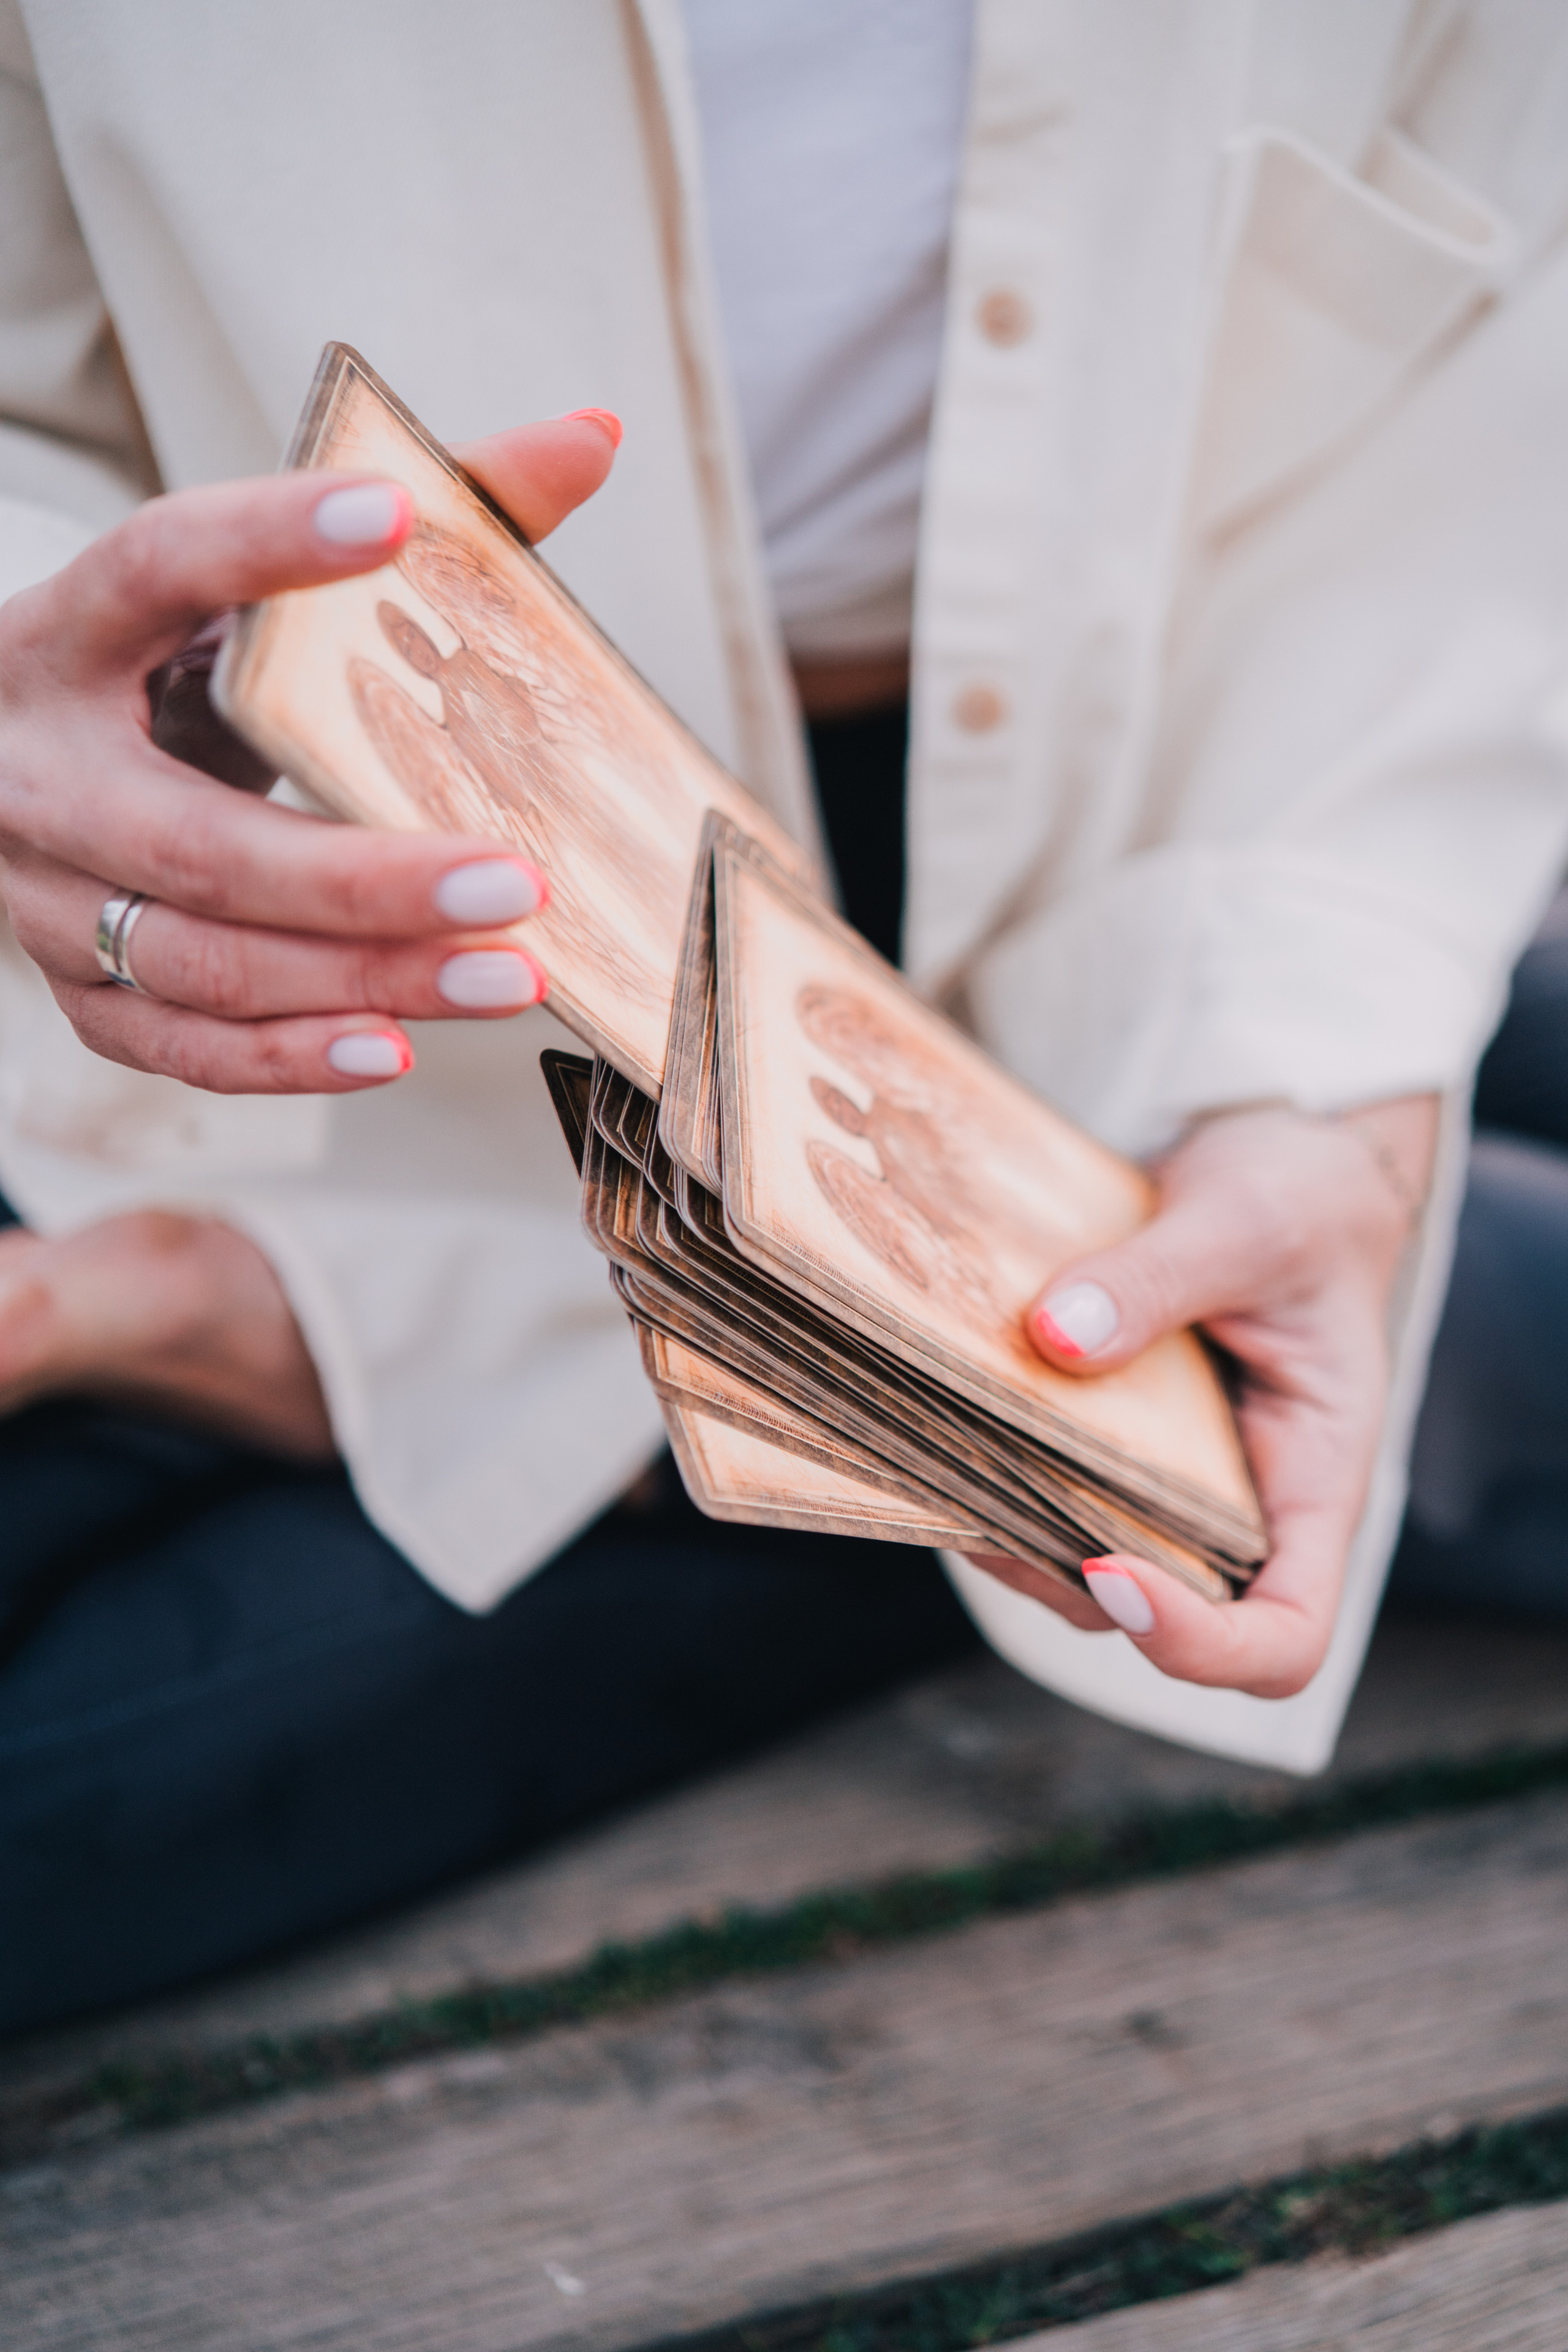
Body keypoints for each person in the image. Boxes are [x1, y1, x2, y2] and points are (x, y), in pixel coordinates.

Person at [1, 3, 1566, 2032]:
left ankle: (620, 1385)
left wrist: (1330, 1079)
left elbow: (1494, 293)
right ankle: (754, 1400)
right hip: (264, 862)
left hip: (1183, 770)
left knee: (1281, 1287)